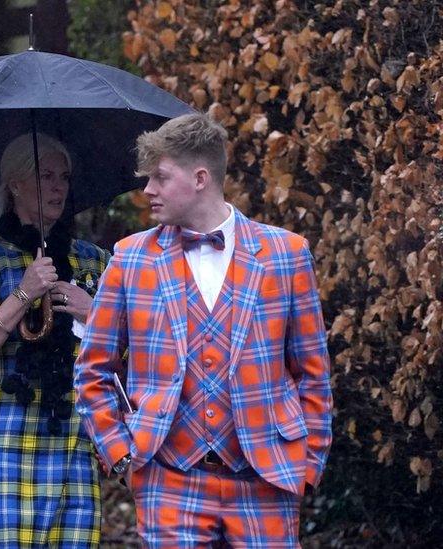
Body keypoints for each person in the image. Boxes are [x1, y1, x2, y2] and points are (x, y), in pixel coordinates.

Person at [74, 113, 333, 547]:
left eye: (159, 177)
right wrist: (120, 453)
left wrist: (308, 465)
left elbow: (313, 372)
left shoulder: (286, 255)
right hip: (168, 478)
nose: (148, 190)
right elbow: (92, 370)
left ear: (200, 178)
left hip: (265, 477)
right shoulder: (131, 258)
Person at [0, 133, 110, 547]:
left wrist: (91, 312)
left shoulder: (94, 260)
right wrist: (22, 294)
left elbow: (131, 349)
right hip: (8, 438)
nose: (58, 186)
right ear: (15, 184)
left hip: (75, 434)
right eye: (45, 176)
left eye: (64, 177)